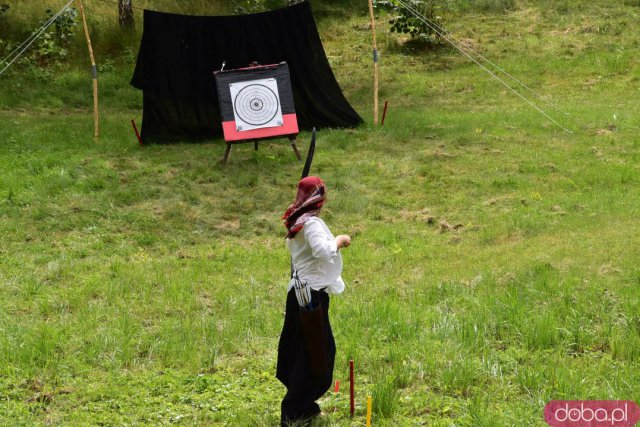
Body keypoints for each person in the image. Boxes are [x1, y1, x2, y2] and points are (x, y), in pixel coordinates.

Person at [276, 176, 351, 426]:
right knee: (319, 353)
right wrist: (340, 240)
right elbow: (323, 250)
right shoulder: (311, 224)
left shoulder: (297, 222)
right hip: (311, 296)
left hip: (299, 294)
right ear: (319, 199)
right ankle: (296, 409)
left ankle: (302, 406)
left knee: (303, 350)